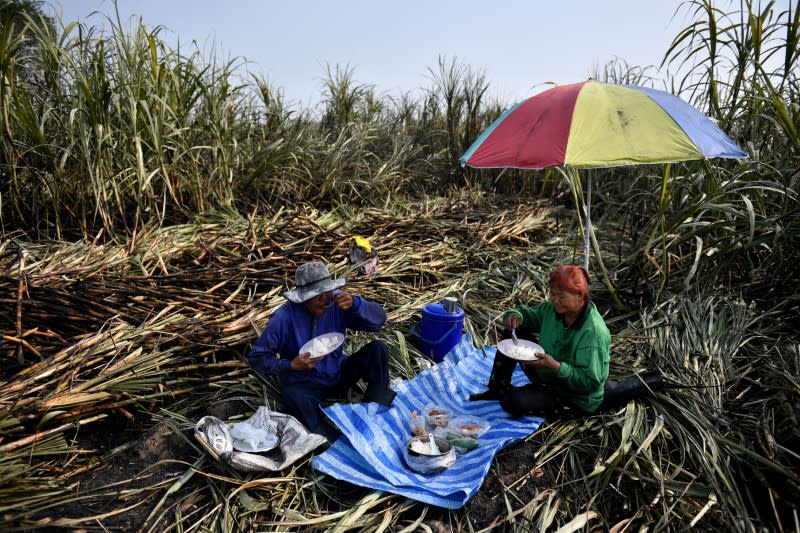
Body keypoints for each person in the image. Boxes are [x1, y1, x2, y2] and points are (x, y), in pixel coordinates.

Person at [248, 261, 395, 442]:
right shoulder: (283, 318)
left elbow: (379, 321)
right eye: (318, 295)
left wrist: (357, 304)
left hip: (338, 374)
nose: (325, 299)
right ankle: (332, 441)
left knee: (377, 349)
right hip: (306, 385)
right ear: (302, 297)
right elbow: (257, 358)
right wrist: (291, 365)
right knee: (292, 396)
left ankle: (377, 411)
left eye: (327, 292)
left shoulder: (336, 302)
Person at [470, 264, 610, 417]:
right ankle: (497, 388)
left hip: (573, 397)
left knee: (511, 401)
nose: (555, 300)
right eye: (553, 294)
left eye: (561, 296)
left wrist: (555, 366)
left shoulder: (593, 332)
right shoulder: (554, 310)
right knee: (514, 332)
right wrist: (514, 316)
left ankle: (529, 394)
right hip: (546, 372)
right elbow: (527, 315)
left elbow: (589, 383)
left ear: (581, 296)